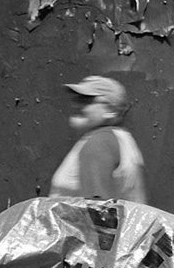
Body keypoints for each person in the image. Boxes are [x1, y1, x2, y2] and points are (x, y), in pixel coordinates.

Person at [49, 74, 146, 203]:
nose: (76, 105)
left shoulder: (99, 142)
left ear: (110, 110)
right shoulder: (121, 138)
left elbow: (97, 207)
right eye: (76, 99)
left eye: (86, 100)